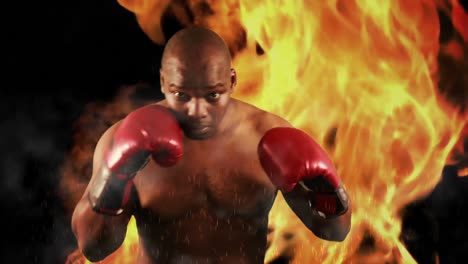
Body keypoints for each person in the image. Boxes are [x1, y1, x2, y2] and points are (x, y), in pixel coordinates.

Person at [71, 26, 351, 264]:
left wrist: (329, 190)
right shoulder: (123, 139)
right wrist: (114, 176)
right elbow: (94, 248)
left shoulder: (267, 135)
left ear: (231, 81)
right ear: (163, 82)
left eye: (213, 95)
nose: (197, 111)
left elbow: (334, 231)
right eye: (181, 95)